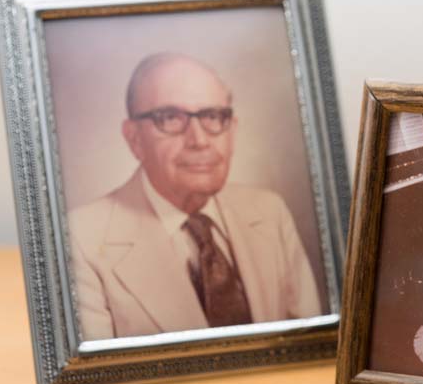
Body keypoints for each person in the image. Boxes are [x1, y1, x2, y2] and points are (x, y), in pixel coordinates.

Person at [69, 52, 322, 341]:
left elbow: (310, 347)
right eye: (171, 118)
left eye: (213, 116)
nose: (199, 140)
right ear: (134, 139)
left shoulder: (269, 210)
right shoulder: (81, 239)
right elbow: (99, 380)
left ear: (233, 130)